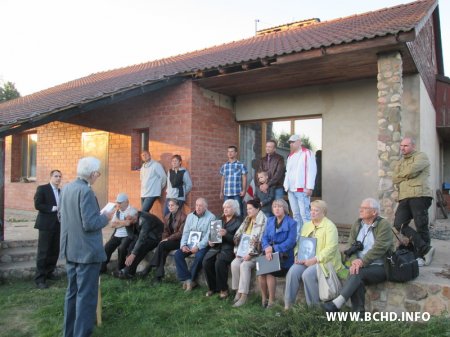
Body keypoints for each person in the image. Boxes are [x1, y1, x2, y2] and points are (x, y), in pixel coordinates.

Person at [59, 157, 115, 337]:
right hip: (87, 252)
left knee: (72, 294)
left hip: (71, 248)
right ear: (92, 174)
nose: (98, 176)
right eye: (98, 173)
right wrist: (106, 216)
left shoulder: (66, 188)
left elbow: (61, 216)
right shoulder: (86, 192)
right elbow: (90, 223)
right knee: (86, 297)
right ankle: (81, 333)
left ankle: (69, 333)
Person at [322, 198, 393, 314]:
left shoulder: (383, 225)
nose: (360, 210)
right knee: (356, 274)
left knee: (356, 272)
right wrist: (355, 260)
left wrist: (361, 262)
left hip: (380, 266)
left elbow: (379, 248)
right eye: (360, 207)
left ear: (374, 212)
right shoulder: (358, 223)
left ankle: (338, 303)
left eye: (364, 208)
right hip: (360, 265)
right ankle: (358, 315)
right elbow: (351, 244)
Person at [284, 200, 345, 309]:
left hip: (324, 262)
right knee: (293, 271)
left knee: (307, 274)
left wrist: (316, 259)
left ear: (323, 212)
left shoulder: (330, 227)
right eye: (311, 210)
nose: (312, 213)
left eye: (316, 210)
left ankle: (314, 308)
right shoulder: (307, 225)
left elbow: (331, 248)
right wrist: (297, 254)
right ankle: (288, 305)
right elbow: (299, 243)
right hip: (306, 260)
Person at [392, 137, 435, 266]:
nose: (402, 148)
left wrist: (403, 175)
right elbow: (394, 178)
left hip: (420, 195)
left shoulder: (421, 156)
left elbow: (412, 170)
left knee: (421, 225)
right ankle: (426, 249)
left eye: (405, 145)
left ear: (413, 146)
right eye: (401, 146)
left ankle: (422, 257)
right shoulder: (400, 162)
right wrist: (406, 175)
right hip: (404, 197)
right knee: (398, 224)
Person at [259, 199, 297, 308]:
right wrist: (266, 247)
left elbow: (290, 242)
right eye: (274, 206)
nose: (276, 209)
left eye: (279, 206)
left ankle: (271, 300)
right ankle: (263, 298)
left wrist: (273, 248)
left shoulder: (292, 223)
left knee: (269, 271)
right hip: (269, 253)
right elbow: (264, 237)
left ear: (284, 209)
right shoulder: (270, 220)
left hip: (284, 256)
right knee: (261, 272)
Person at [231, 198, 267, 307]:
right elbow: (238, 235)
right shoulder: (248, 219)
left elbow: (259, 240)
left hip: (256, 254)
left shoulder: (263, 220)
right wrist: (238, 251)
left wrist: (250, 254)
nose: (248, 211)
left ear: (257, 209)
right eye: (247, 209)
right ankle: (238, 291)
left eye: (250, 209)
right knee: (234, 263)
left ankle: (244, 296)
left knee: (244, 265)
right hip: (243, 252)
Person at [203, 199, 242, 299]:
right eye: (224, 207)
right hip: (216, 247)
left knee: (219, 262)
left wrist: (226, 234)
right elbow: (213, 235)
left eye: (228, 207)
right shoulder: (219, 219)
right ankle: (212, 287)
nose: (225, 209)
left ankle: (223, 289)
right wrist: (210, 241)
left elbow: (238, 240)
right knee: (206, 261)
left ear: (234, 209)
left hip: (229, 249)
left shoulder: (239, 221)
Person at [175, 198, 215, 291]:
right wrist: (183, 245)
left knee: (199, 256)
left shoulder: (211, 217)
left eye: (200, 205)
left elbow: (208, 235)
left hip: (202, 245)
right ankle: (188, 279)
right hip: (189, 243)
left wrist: (198, 246)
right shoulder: (190, 216)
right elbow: (186, 232)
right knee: (178, 255)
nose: (198, 207)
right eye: (197, 205)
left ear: (206, 207)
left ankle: (192, 280)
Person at [145, 198, 187, 282]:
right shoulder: (167, 216)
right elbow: (165, 231)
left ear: (177, 206)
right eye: (169, 205)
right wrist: (164, 239)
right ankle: (158, 277)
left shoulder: (183, 217)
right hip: (170, 240)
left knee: (162, 245)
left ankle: (150, 266)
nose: (170, 207)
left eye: (172, 205)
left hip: (180, 241)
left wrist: (167, 239)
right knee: (163, 251)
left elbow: (180, 233)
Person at [33, 169, 62, 289]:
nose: (58, 178)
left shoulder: (61, 191)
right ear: (51, 177)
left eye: (60, 176)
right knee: (43, 252)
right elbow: (37, 205)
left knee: (54, 251)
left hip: (58, 224)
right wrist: (53, 208)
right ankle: (40, 279)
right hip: (45, 225)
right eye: (56, 176)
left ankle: (49, 272)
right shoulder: (42, 188)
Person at [283, 134, 317, 235]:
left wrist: (310, 187)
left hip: (302, 189)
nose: (291, 144)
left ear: (299, 142)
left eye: (293, 142)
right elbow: (288, 171)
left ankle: (310, 237)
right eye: (290, 142)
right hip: (291, 189)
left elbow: (312, 170)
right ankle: (298, 237)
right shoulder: (291, 156)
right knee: (296, 215)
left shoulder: (307, 153)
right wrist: (286, 185)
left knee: (305, 215)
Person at [118, 208, 164, 278]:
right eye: (126, 219)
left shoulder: (145, 219)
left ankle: (128, 272)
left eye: (130, 219)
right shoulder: (129, 218)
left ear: (136, 216)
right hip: (144, 236)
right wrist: (130, 252)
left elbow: (142, 238)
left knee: (141, 248)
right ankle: (127, 271)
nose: (128, 221)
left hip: (155, 237)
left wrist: (133, 254)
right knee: (130, 246)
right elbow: (131, 236)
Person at [100, 193, 136, 273]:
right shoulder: (117, 212)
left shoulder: (132, 210)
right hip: (116, 235)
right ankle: (102, 268)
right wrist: (122, 222)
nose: (118, 204)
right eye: (118, 202)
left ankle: (120, 269)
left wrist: (118, 222)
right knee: (107, 247)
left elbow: (128, 223)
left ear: (126, 202)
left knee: (122, 248)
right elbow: (112, 225)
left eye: (120, 202)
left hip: (127, 235)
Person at [220, 145, 248, 216]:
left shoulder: (241, 165)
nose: (230, 153)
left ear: (236, 153)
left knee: (238, 211)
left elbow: (244, 178)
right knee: (226, 211)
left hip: (237, 193)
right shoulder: (224, 166)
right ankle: (228, 226)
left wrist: (244, 190)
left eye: (232, 151)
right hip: (227, 193)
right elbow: (223, 179)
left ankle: (240, 226)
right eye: (228, 152)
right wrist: (221, 191)